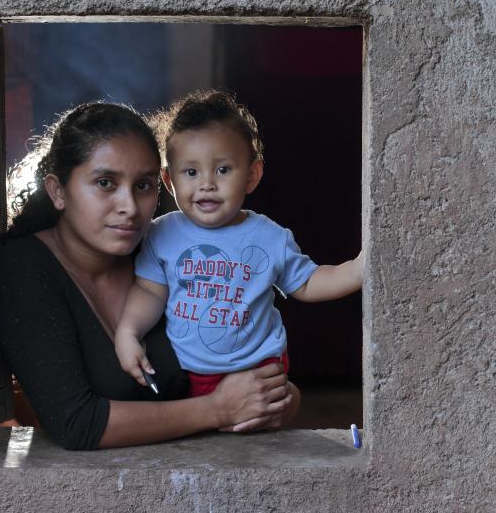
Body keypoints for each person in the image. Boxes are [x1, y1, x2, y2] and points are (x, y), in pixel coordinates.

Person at [0, 102, 298, 451]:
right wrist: (218, 409)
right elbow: (77, 422)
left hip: (206, 477)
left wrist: (274, 399)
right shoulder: (24, 269)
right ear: (58, 191)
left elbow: (252, 372)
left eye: (145, 186)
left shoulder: (161, 250)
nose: (130, 208)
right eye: (105, 183)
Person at [114, 90, 363, 399]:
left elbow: (308, 283)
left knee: (253, 436)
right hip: (186, 372)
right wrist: (128, 333)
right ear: (169, 180)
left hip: (258, 370)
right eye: (191, 172)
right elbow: (150, 291)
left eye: (223, 170)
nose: (207, 183)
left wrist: (357, 271)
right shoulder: (162, 233)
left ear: (252, 175)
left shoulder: (269, 236)